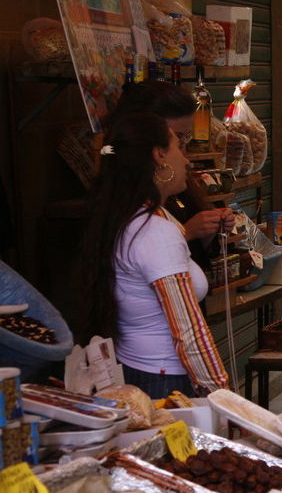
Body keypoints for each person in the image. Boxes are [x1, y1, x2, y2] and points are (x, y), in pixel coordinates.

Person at [79, 112, 230, 398]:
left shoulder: (131, 215)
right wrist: (223, 397)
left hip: (140, 369)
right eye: (179, 148)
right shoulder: (155, 231)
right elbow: (188, 332)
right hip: (164, 381)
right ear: (159, 155)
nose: (186, 160)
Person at [108, 80, 236, 270]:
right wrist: (186, 233)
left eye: (186, 137)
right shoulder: (127, 206)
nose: (185, 156)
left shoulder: (177, 186)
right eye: (178, 138)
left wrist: (209, 229)